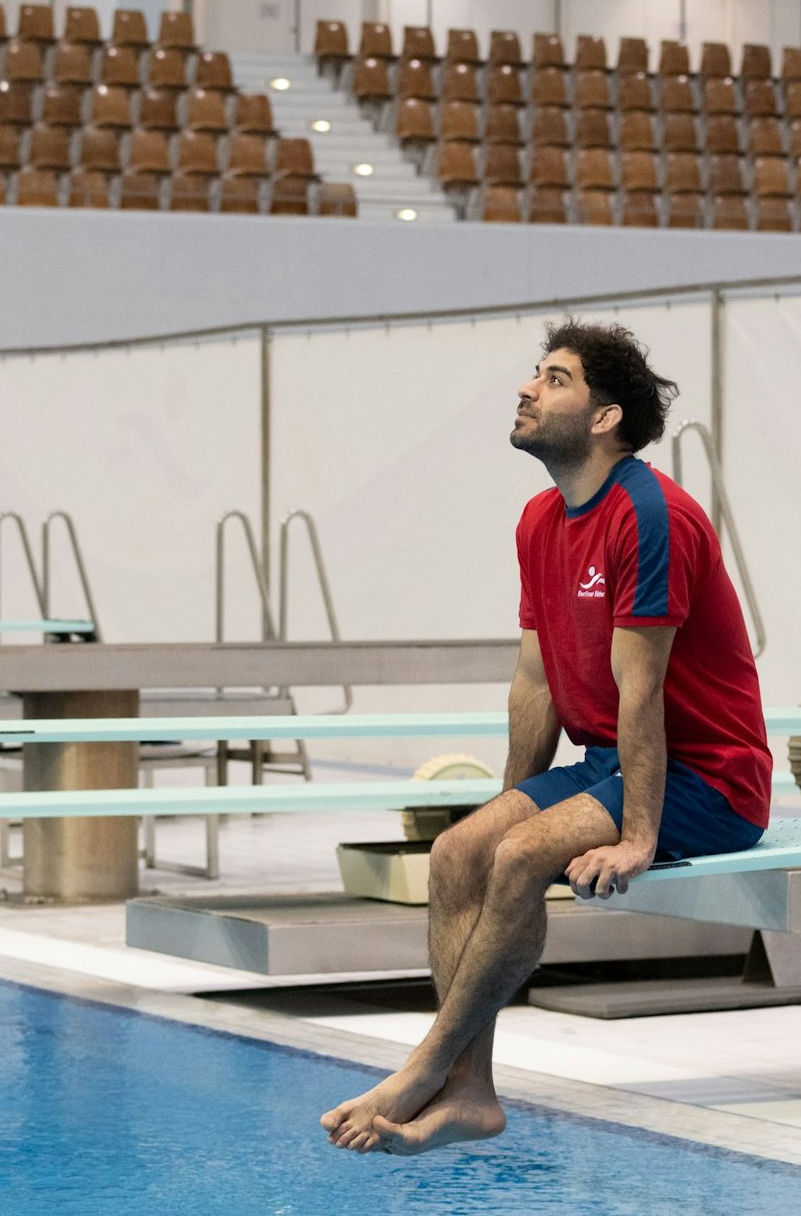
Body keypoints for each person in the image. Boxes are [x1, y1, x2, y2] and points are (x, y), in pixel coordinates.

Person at [320, 319, 772, 1156]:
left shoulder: (653, 514)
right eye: (535, 373)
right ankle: (474, 1095)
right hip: (608, 764)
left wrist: (639, 835)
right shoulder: (539, 520)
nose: (528, 389)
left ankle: (426, 1066)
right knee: (462, 851)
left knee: (522, 856)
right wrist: (508, 802)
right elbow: (535, 683)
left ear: (604, 417)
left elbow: (643, 692)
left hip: (708, 778)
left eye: (554, 378)